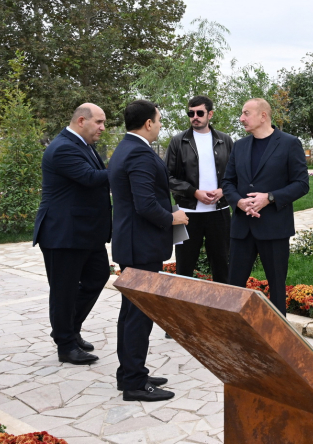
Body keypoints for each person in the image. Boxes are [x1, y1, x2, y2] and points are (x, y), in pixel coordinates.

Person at [109, 99, 187, 402]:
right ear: (148, 123)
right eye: (159, 119)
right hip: (140, 246)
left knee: (131, 313)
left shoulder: (125, 148)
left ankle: (130, 373)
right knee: (139, 316)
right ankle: (135, 383)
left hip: (133, 244)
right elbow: (145, 204)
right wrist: (172, 218)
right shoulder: (138, 153)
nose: (161, 125)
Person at [33, 103, 111, 365]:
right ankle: (66, 346)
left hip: (85, 232)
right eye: (98, 122)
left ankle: (68, 328)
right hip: (63, 233)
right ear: (81, 120)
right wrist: (124, 168)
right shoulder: (64, 147)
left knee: (97, 277)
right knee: (63, 291)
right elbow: (89, 178)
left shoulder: (83, 145)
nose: (102, 128)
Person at [222, 98, 310, 314]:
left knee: (277, 288)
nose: (241, 118)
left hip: (274, 228)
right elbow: (227, 182)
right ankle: (233, 331)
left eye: (246, 113)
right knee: (234, 287)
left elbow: (301, 184)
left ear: (263, 116)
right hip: (242, 228)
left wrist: (269, 198)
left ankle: (279, 333)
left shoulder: (289, 143)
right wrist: (239, 202)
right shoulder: (239, 146)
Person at [165, 95, 234, 283]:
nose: (195, 117)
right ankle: (182, 302)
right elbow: (167, 177)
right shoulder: (178, 141)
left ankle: (221, 301)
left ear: (210, 114)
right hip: (185, 213)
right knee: (184, 267)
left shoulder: (225, 140)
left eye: (199, 113)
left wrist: (223, 190)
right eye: (191, 113)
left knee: (222, 265)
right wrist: (193, 192)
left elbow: (236, 174)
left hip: (219, 211)